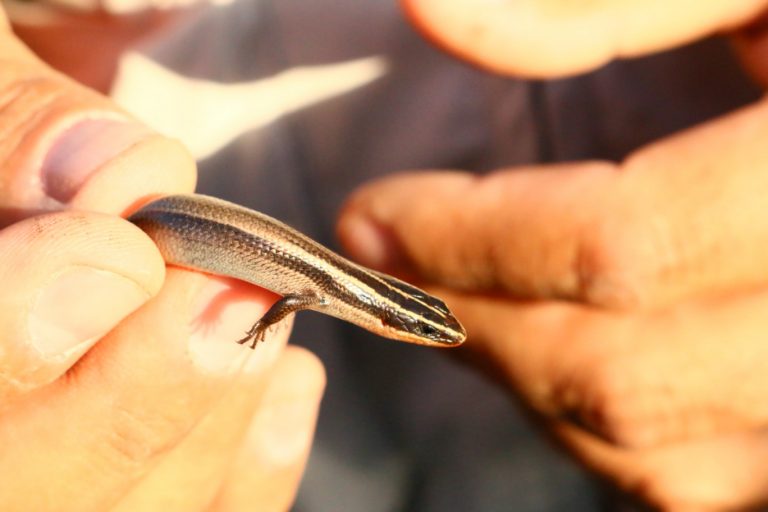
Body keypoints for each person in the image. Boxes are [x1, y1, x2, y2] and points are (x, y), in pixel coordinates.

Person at [1, 0, 767, 510]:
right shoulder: (324, 291)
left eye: (426, 329)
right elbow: (292, 297)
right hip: (150, 202)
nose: (430, 334)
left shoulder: (334, 288)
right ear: (391, 319)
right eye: (423, 328)